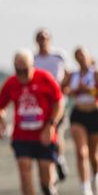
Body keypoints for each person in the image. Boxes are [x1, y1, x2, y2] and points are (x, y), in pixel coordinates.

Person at [0, 49, 64, 195]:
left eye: (25, 70)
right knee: (24, 171)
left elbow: (59, 102)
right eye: (18, 71)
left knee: (44, 172)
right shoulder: (11, 83)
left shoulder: (45, 79)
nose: (22, 75)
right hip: (22, 136)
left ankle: (48, 187)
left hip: (43, 135)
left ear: (32, 66)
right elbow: (0, 105)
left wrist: (51, 125)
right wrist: (2, 122)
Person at [61, 48, 98, 195]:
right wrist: (73, 90)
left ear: (89, 57)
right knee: (81, 152)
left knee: (93, 153)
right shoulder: (73, 75)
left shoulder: (96, 73)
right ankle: (85, 189)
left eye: (83, 56)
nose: (81, 59)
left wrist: (89, 90)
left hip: (95, 114)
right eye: (77, 57)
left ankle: (97, 175)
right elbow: (62, 90)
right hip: (78, 114)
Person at [34, 28, 70, 182]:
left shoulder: (59, 56)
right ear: (36, 40)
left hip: (57, 102)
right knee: (43, 136)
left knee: (56, 132)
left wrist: (65, 89)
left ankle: (59, 158)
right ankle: (51, 165)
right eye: (40, 37)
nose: (43, 39)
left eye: (45, 37)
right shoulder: (33, 59)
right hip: (40, 105)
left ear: (49, 39)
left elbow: (68, 74)